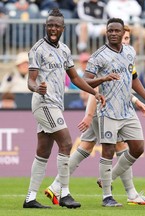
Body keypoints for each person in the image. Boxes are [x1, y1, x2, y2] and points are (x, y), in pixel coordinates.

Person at [23, 8, 105, 209]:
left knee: (43, 151)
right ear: (46, 26)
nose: (53, 28)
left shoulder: (65, 50)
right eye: (50, 25)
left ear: (63, 28)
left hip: (55, 104)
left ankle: (30, 198)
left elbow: (76, 78)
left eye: (56, 26)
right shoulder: (37, 49)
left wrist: (94, 92)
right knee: (67, 143)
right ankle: (63, 194)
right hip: (44, 103)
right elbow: (30, 81)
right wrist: (38, 89)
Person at [83, 17, 145, 207]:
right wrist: (103, 78)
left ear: (123, 33)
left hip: (127, 110)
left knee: (138, 148)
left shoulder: (130, 51)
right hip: (108, 111)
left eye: (117, 31)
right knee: (108, 151)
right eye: (110, 31)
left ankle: (109, 178)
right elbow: (84, 81)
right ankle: (107, 196)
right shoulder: (98, 56)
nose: (113, 33)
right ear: (106, 32)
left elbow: (134, 78)